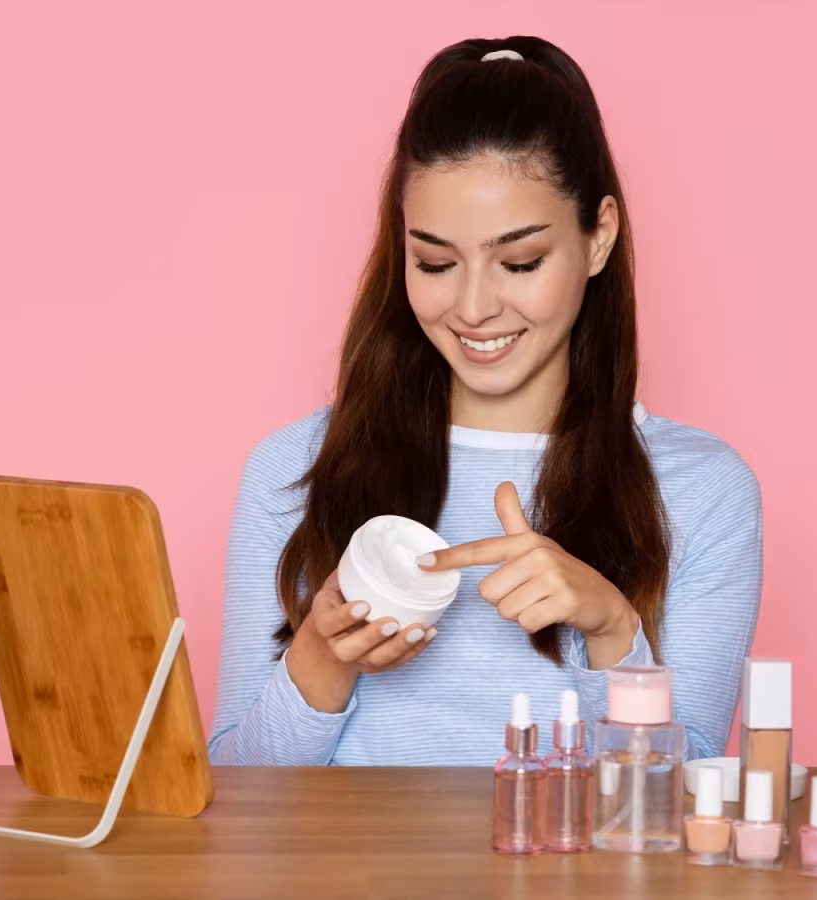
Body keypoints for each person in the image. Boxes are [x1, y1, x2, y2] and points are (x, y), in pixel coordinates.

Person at [207, 35, 763, 766]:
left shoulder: (704, 489)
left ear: (598, 238)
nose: (473, 308)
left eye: (520, 262)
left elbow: (689, 796)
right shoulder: (293, 469)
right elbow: (236, 792)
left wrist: (611, 630)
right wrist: (321, 655)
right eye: (435, 262)